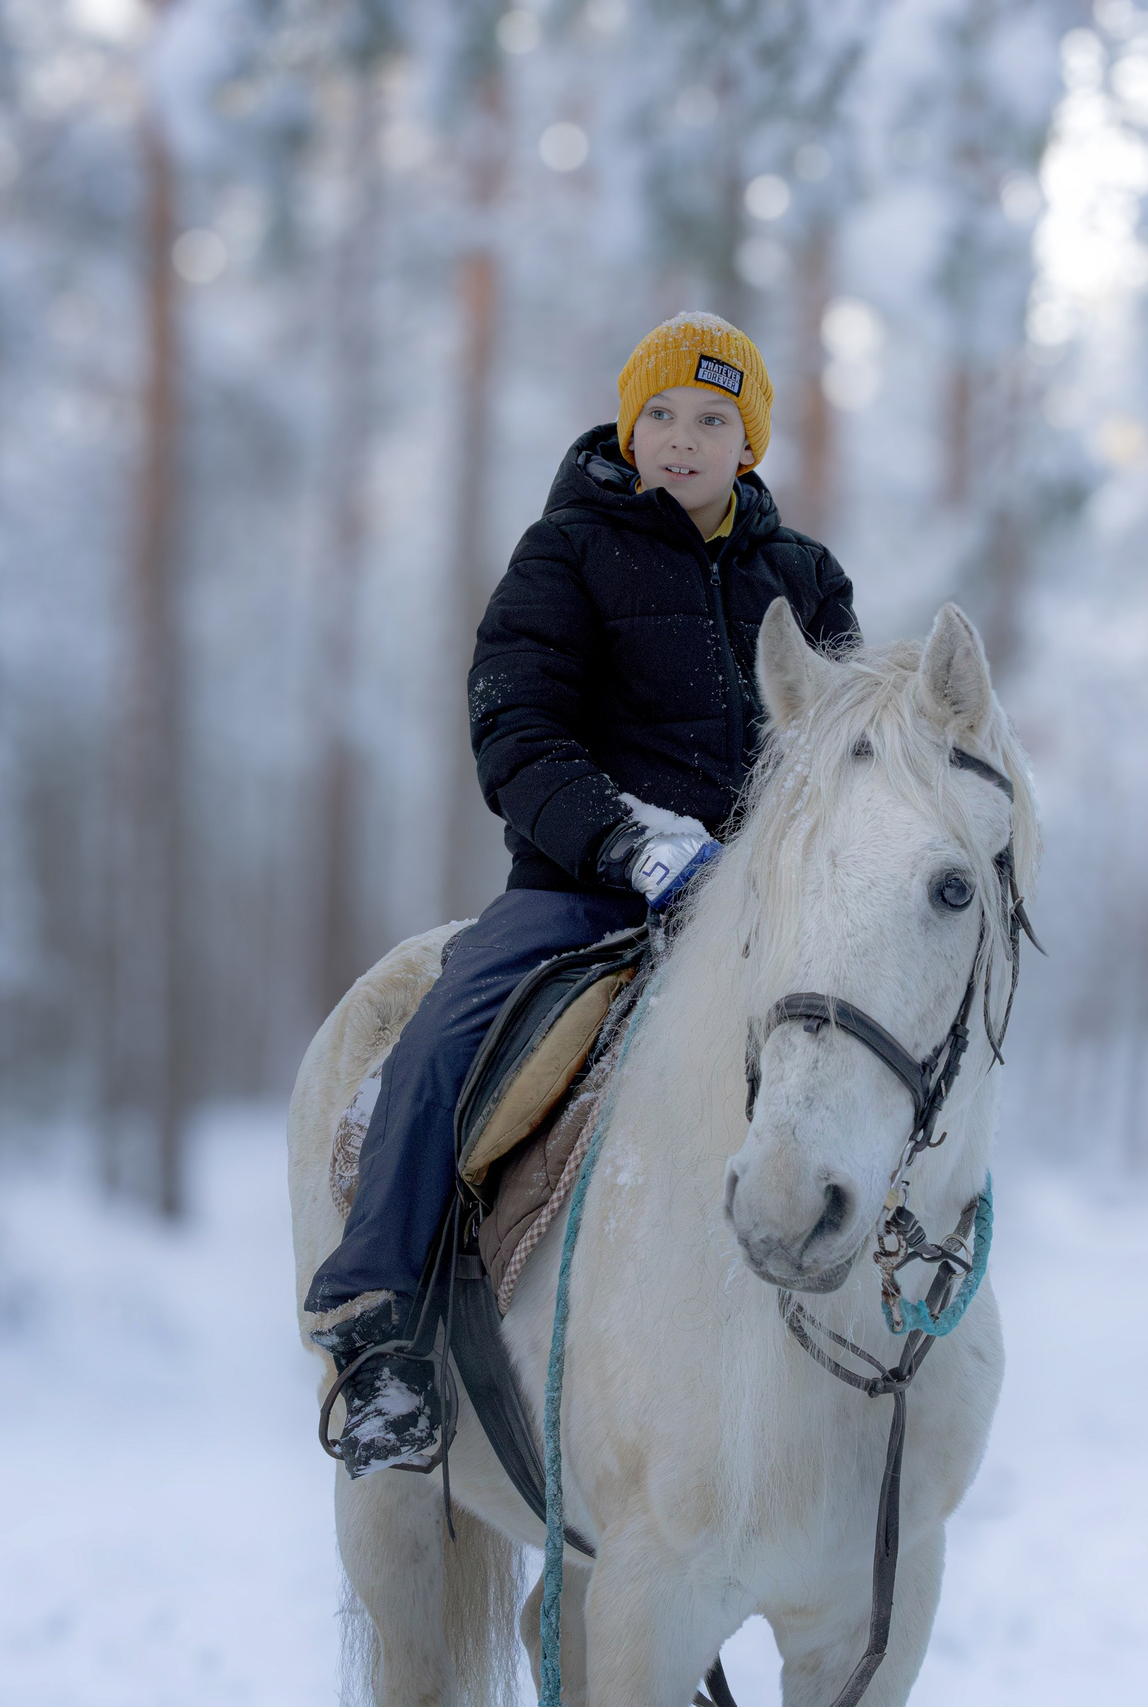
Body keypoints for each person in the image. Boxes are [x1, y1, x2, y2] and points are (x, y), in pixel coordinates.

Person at [304, 312, 861, 1477]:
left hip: (755, 905)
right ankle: (378, 1335)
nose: (679, 440)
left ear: (747, 443)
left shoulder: (802, 576)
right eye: (659, 414)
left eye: (712, 419)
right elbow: (515, 728)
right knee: (452, 1031)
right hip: (583, 891)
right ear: (629, 422)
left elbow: (846, 750)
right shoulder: (564, 553)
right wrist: (629, 844)